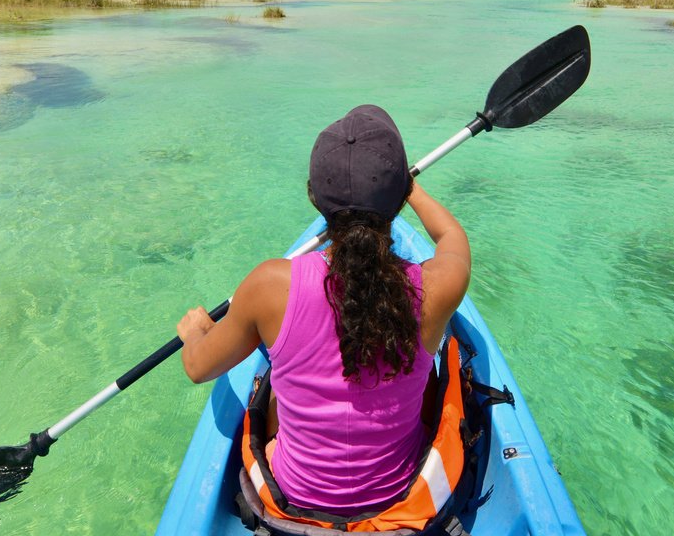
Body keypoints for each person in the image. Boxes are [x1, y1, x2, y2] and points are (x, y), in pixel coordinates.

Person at [176, 104, 471, 514]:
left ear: (315, 197)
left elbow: (197, 368)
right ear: (400, 198)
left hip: (295, 503)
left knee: (277, 379)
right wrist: (409, 186)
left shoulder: (269, 286)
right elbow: (451, 235)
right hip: (397, 502)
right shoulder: (439, 286)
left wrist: (195, 332)